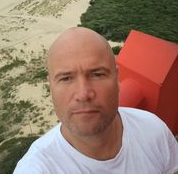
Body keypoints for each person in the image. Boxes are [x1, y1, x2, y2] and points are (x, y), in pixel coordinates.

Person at [13, 27, 178, 174]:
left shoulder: (153, 129)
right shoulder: (37, 168)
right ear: (51, 87)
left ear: (116, 79)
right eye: (66, 78)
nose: (83, 94)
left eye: (97, 74)